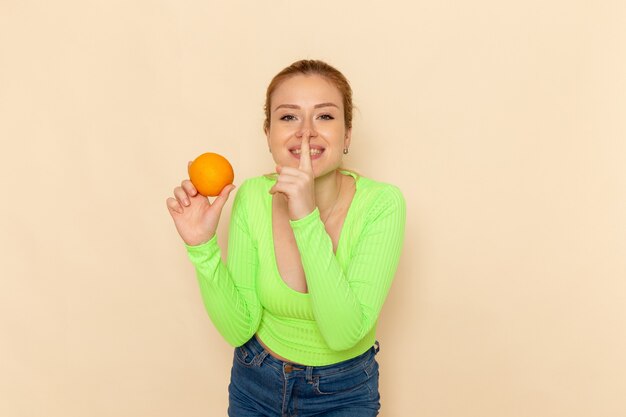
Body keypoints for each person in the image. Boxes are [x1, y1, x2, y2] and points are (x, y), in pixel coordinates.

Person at [166, 59, 406, 416]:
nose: (305, 132)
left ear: (348, 135)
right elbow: (238, 328)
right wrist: (202, 247)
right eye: (288, 117)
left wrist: (305, 217)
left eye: (324, 116)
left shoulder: (383, 205)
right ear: (268, 134)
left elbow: (343, 334)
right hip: (256, 382)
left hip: (344, 393)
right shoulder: (251, 197)